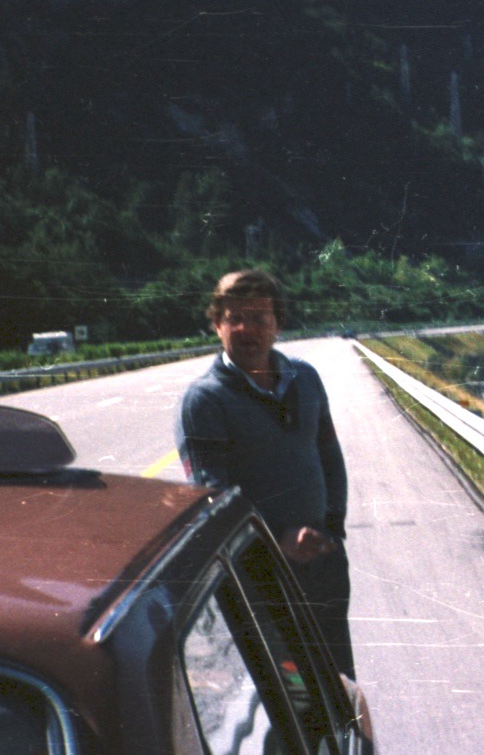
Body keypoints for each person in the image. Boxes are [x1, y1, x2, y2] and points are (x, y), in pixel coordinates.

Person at [176, 269, 355, 678]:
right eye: (233, 318)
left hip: (323, 561)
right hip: (260, 575)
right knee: (288, 691)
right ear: (217, 325)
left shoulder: (306, 379)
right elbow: (214, 500)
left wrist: (332, 528)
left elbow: (330, 456)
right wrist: (278, 542)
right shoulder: (204, 401)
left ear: (278, 323)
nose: (246, 329)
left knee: (339, 677)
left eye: (259, 317)